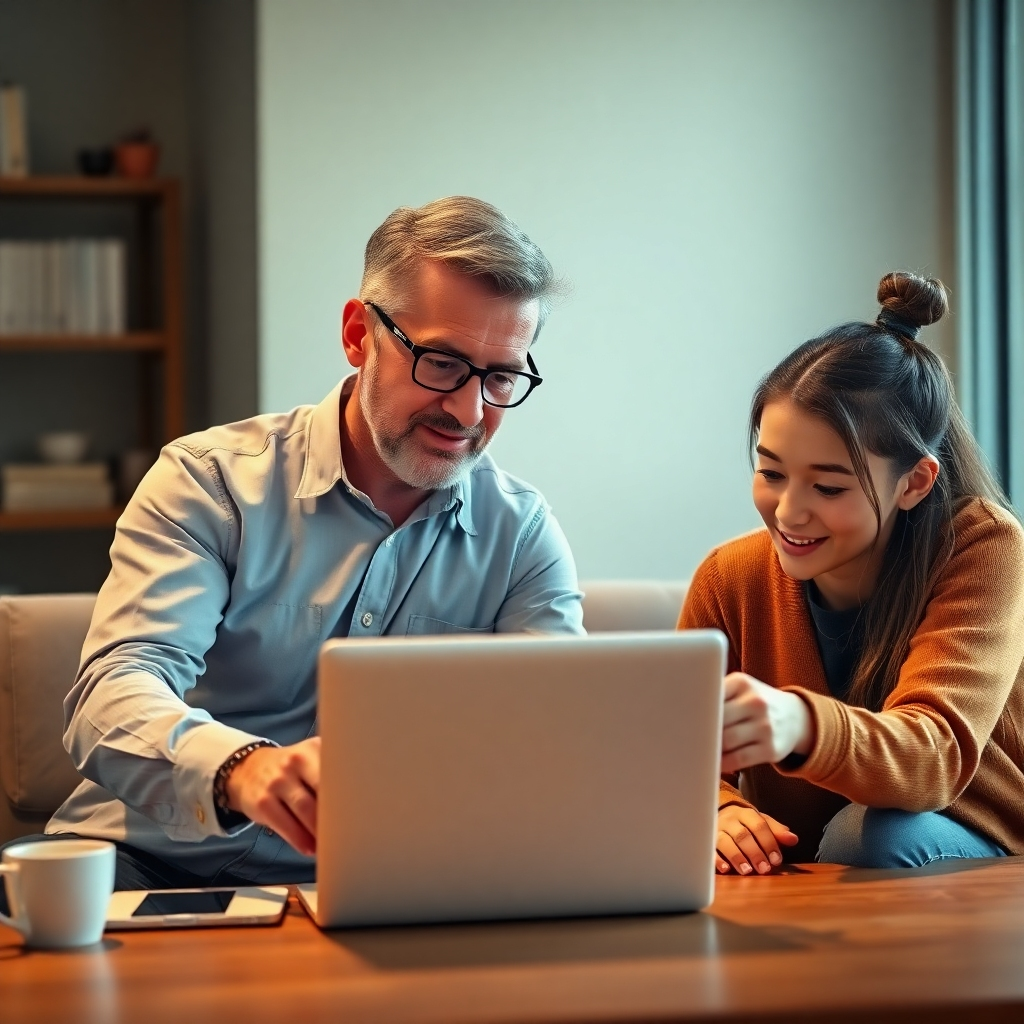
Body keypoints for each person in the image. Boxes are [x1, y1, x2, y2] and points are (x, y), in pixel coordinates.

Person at [2, 197, 583, 899]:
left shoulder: (520, 532)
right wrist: (239, 769)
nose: (468, 411)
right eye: (441, 362)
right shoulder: (209, 482)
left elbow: (556, 733)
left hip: (385, 884)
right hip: (148, 864)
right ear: (358, 334)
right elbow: (113, 693)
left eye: (500, 378)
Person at [680, 270, 1024, 873]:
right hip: (812, 864)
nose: (788, 512)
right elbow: (674, 752)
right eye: (771, 472)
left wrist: (798, 723)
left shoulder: (983, 545)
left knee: (869, 836)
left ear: (915, 481)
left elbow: (933, 755)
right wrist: (717, 809)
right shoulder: (728, 578)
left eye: (829, 485)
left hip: (975, 837)